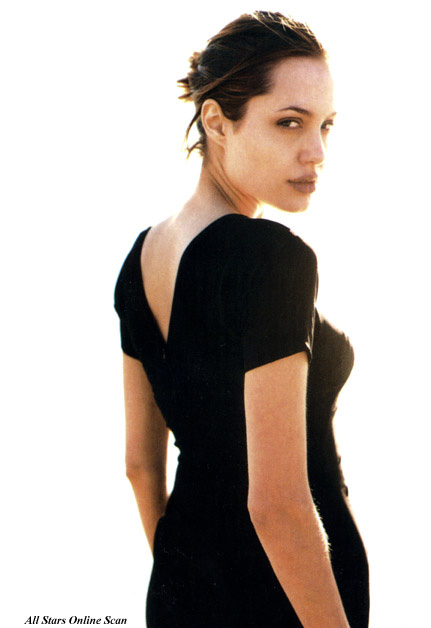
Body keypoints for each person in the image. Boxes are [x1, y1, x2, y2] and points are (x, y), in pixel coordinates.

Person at [114, 11, 369, 628]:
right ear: (216, 121)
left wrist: (187, 584)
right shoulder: (271, 256)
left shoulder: (142, 256)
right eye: (289, 122)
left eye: (326, 125)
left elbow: (141, 466)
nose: (316, 152)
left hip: (180, 595)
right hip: (284, 606)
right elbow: (278, 506)